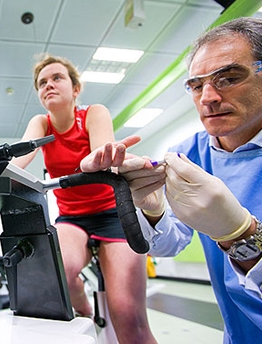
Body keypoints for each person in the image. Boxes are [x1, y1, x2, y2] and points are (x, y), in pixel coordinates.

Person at [81, 17, 262, 344]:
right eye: (197, 85)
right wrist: (151, 208)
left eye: (228, 78)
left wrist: (244, 236)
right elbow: (170, 244)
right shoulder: (187, 154)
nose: (208, 97)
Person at [11, 53, 157, 344]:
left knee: (128, 315)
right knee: (59, 277)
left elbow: (100, 150)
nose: (48, 85)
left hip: (113, 214)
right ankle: (85, 310)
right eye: (42, 83)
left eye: (57, 78)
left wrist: (102, 159)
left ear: (75, 89)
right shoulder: (41, 123)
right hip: (71, 218)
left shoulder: (94, 113)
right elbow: (19, 159)